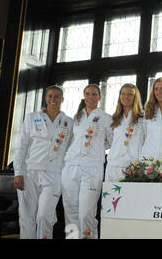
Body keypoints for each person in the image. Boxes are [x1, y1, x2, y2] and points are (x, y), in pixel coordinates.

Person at [13, 85, 73, 239]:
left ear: (62, 99)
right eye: (50, 96)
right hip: (30, 172)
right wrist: (18, 172)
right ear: (46, 98)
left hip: (55, 174)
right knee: (27, 216)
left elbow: (71, 150)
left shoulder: (68, 122)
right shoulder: (32, 117)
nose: (53, 100)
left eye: (57, 96)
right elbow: (22, 146)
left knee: (44, 216)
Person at [61, 83, 113, 239]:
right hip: (70, 167)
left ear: (99, 97)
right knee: (70, 212)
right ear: (84, 96)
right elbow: (70, 141)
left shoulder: (106, 118)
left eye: (94, 94)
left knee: (86, 214)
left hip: (92, 169)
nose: (91, 97)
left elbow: (111, 141)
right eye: (88, 94)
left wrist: (96, 149)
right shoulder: (76, 118)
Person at [105, 84, 144, 182]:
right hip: (112, 166)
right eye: (123, 94)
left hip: (132, 168)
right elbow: (110, 141)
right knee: (111, 197)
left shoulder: (143, 118)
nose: (126, 97)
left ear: (135, 97)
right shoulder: (114, 119)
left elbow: (146, 142)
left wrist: (140, 164)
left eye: (130, 94)